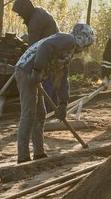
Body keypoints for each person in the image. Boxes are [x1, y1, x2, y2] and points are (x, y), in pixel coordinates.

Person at [14, 23, 95, 164]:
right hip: (26, 71)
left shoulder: (68, 52)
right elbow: (45, 46)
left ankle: (39, 153)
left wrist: (63, 103)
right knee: (29, 113)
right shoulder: (67, 40)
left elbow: (62, 78)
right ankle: (23, 156)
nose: (84, 51)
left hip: (35, 74)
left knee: (40, 114)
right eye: (86, 46)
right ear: (83, 38)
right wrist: (37, 70)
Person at [12, 0, 60, 111]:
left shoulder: (35, 21)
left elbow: (32, 47)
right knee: (51, 80)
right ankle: (55, 109)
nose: (19, 16)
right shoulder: (37, 13)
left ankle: (47, 110)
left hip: (49, 53)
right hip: (53, 50)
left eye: (20, 13)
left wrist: (25, 61)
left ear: (25, 10)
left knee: (46, 80)